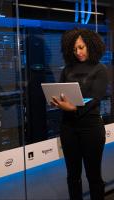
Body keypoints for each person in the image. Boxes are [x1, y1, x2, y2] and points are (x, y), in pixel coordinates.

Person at [51, 28, 108, 200]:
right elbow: (60, 91)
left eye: (81, 47)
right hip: (68, 128)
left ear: (90, 45)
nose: (78, 52)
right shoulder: (67, 69)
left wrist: (74, 108)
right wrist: (58, 102)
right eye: (75, 49)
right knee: (72, 177)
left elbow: (96, 98)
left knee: (93, 176)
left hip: (91, 129)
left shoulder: (100, 69)